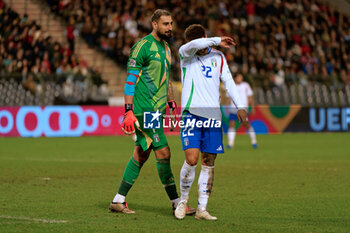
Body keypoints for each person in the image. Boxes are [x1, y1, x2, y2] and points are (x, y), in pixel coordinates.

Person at [110, 9, 195, 216]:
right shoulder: (142, 47)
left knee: (142, 152)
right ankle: (176, 202)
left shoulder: (166, 48)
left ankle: (118, 200)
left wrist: (172, 103)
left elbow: (166, 80)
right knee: (163, 152)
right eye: (165, 24)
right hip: (142, 109)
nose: (170, 28)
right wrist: (128, 111)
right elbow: (130, 82)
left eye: (171, 23)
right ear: (154, 24)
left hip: (156, 110)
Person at [174, 24, 249, 220]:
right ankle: (183, 201)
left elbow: (229, 82)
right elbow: (197, 44)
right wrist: (217, 39)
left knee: (209, 161)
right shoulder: (186, 53)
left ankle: (202, 209)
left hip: (213, 117)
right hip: (191, 114)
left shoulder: (219, 57)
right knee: (191, 159)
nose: (200, 46)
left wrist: (240, 106)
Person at [226, 72, 257, 149]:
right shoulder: (231, 86)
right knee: (232, 125)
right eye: (239, 77)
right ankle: (230, 143)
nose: (240, 79)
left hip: (243, 109)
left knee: (247, 124)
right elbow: (228, 98)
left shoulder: (246, 85)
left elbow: (250, 97)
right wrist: (226, 108)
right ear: (235, 78)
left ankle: (254, 141)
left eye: (241, 77)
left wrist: (252, 107)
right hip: (233, 109)